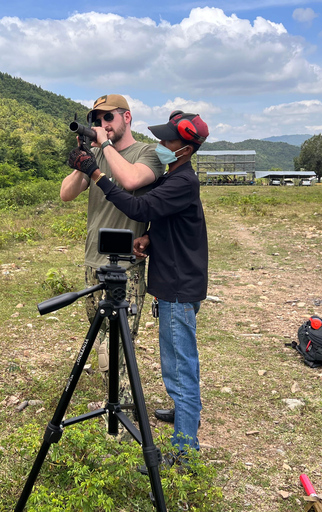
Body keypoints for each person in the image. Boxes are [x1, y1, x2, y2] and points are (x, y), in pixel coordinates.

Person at [66, 110, 209, 458]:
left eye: (167, 141)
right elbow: (162, 217)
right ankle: (184, 416)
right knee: (177, 360)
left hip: (178, 285)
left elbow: (135, 203)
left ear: (185, 149)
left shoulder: (182, 181)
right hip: (174, 280)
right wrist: (150, 237)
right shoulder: (174, 176)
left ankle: (184, 450)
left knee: (178, 367)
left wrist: (96, 172)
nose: (160, 145)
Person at [60, 94, 163, 409]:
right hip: (93, 261)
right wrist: (84, 161)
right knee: (101, 338)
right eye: (97, 120)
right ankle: (116, 402)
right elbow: (66, 194)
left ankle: (122, 409)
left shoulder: (147, 153)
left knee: (116, 344)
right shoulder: (97, 153)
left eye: (108, 118)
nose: (101, 125)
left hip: (126, 266)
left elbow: (131, 179)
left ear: (126, 118)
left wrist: (103, 148)